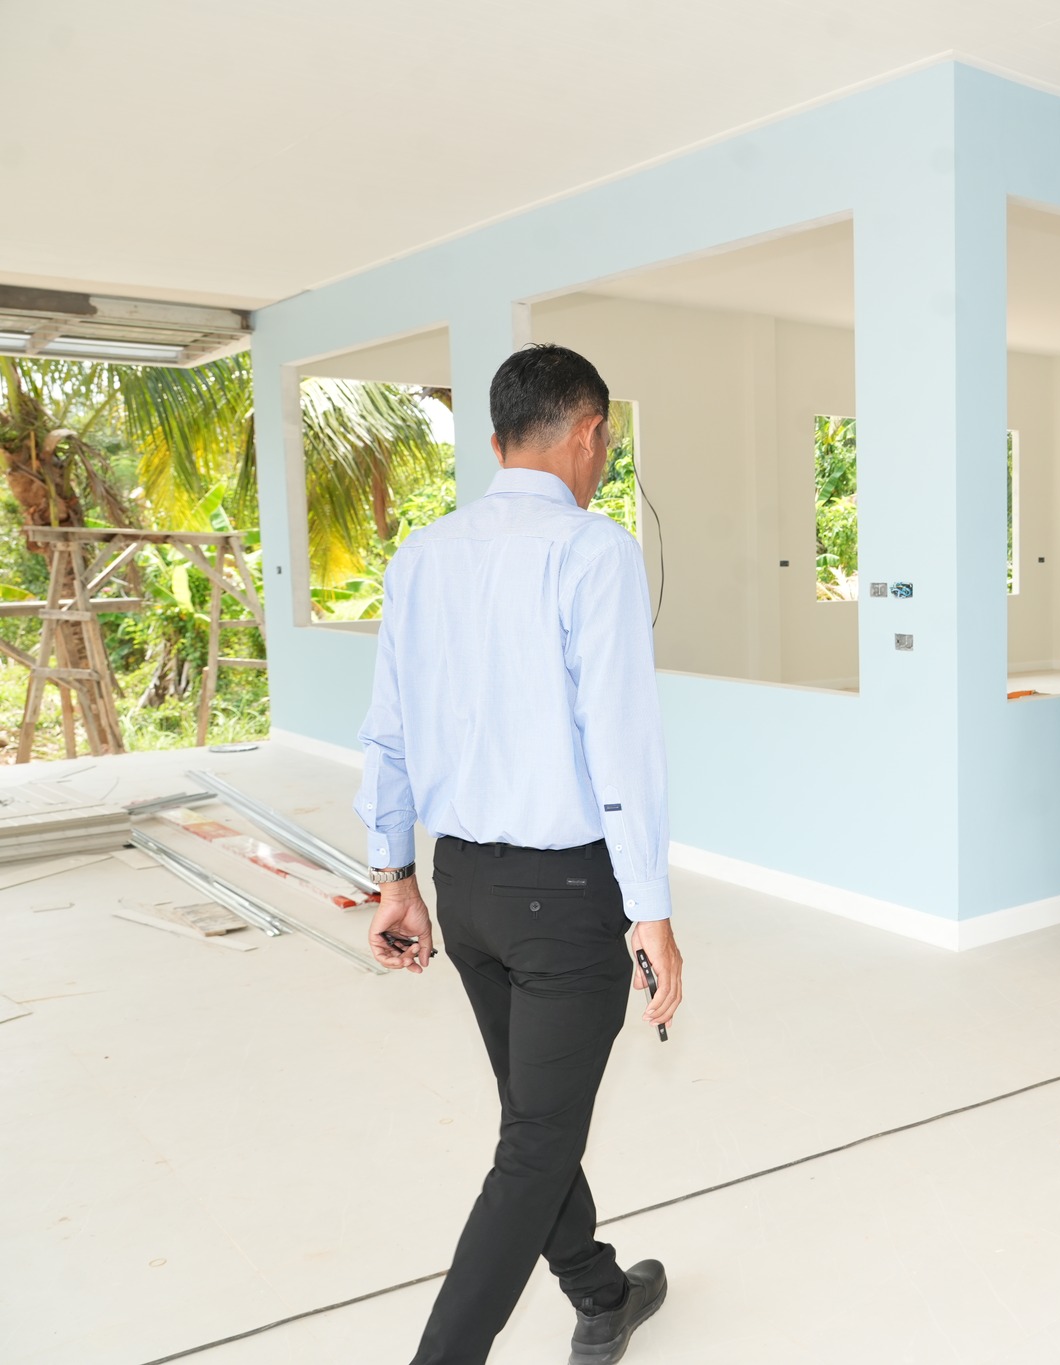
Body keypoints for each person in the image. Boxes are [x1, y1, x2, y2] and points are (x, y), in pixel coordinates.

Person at [359, 344, 682, 1365]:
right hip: (565, 897)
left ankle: (600, 1291)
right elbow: (618, 741)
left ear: (498, 439)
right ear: (589, 433)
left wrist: (395, 878)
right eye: (605, 443)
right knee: (536, 1143)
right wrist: (652, 910)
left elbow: (387, 733)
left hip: (464, 889)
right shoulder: (591, 549)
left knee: (534, 1118)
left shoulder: (422, 555)